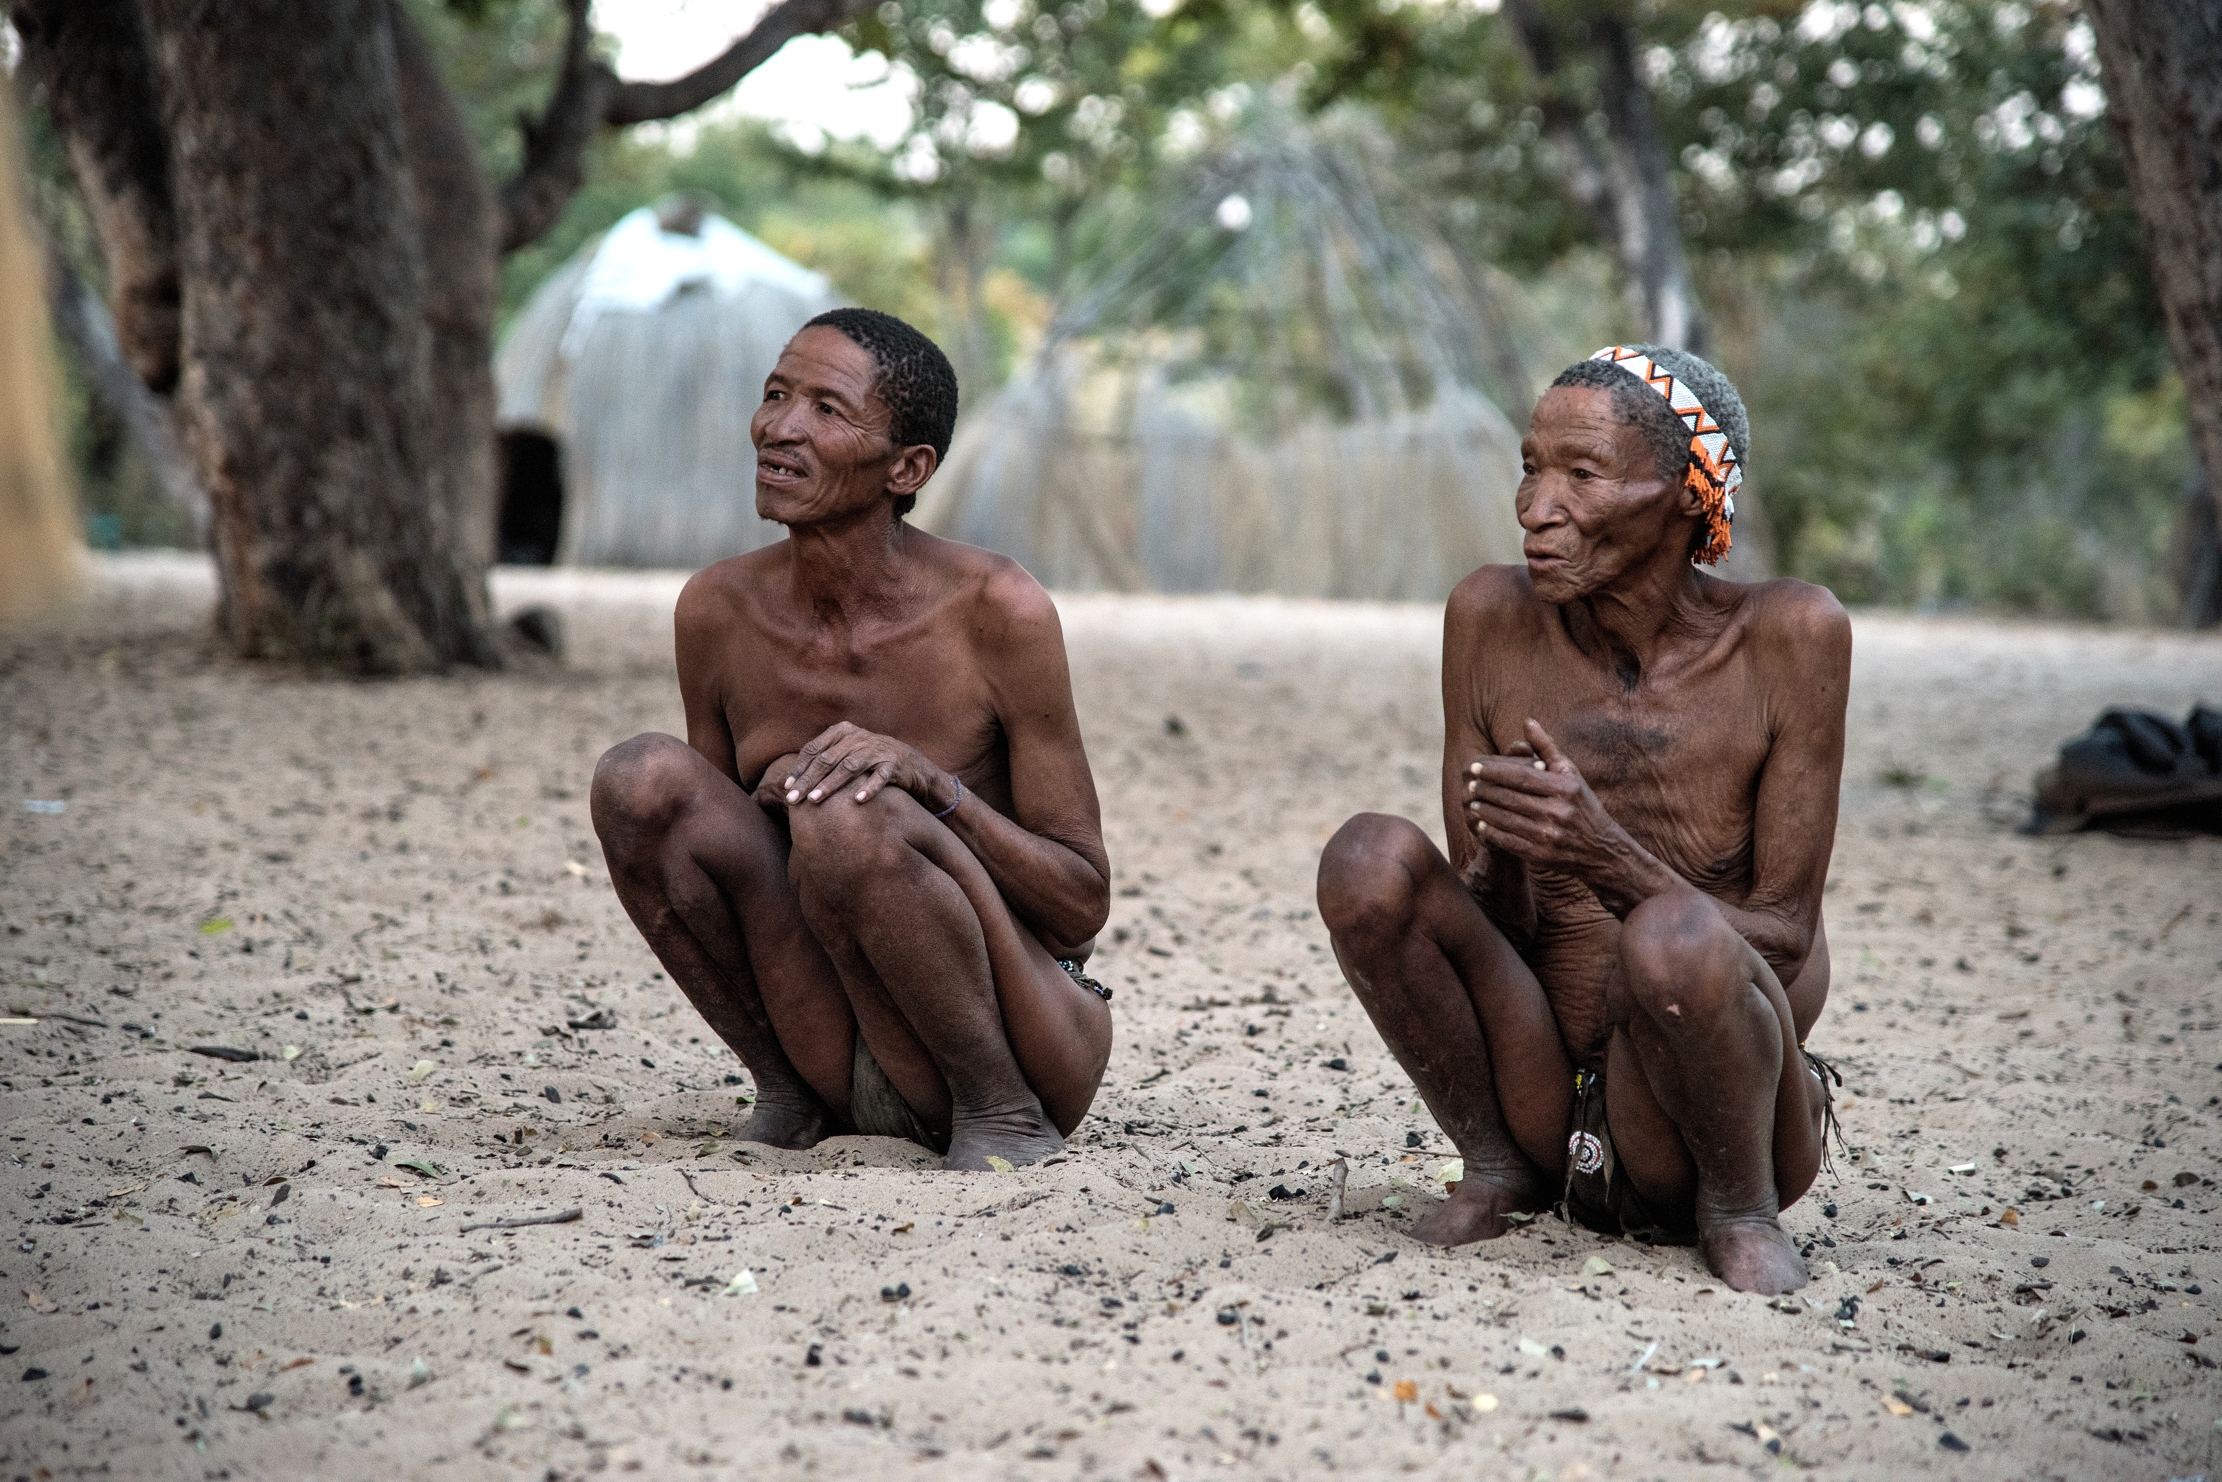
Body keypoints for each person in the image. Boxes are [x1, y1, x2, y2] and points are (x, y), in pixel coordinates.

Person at [1315, 344, 1847, 1294]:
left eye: (1582, 473)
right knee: (1368, 859)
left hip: (1706, 1107)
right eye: (1529, 467)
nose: (1534, 508)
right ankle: (1497, 1167)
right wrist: (1507, 864)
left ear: (1688, 492)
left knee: (1674, 936)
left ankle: (1738, 1215)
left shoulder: (1791, 636)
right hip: (1540, 1089)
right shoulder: (1487, 615)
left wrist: (1602, 853)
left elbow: (1789, 937)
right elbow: (1500, 928)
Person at [591, 309, 1113, 1171]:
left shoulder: (996, 612)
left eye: (828, 410)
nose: (779, 428)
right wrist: (776, 799)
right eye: (775, 395)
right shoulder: (717, 611)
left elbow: (1080, 906)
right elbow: (720, 865)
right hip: (831, 1027)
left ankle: (1003, 1119)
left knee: (852, 808)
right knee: (639, 778)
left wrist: (929, 788)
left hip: (1019, 1033)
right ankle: (788, 1093)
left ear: (906, 469)